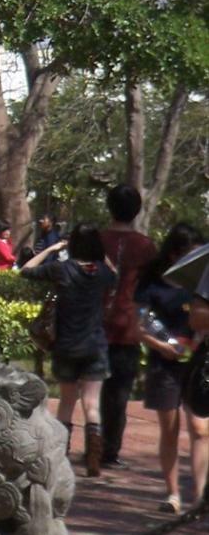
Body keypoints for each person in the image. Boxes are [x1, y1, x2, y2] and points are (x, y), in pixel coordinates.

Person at [20, 222, 117, 476]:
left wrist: (52, 246)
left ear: (72, 244)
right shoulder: (102, 274)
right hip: (95, 345)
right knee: (92, 404)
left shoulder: (61, 270)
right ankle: (94, 459)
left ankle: (61, 456)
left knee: (66, 402)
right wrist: (102, 255)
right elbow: (115, 275)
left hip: (66, 346)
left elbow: (26, 270)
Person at [137, 222, 208, 514]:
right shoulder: (153, 283)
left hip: (198, 361)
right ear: (173, 254)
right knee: (170, 430)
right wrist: (162, 346)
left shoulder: (200, 282)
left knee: (200, 428)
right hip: (164, 362)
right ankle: (172, 493)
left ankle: (200, 496)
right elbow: (138, 323)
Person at [99, 183, 158, 467]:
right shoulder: (145, 246)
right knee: (118, 394)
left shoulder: (96, 240)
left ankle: (90, 446)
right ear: (136, 211)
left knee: (89, 390)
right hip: (127, 326)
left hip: (93, 324)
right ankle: (110, 451)